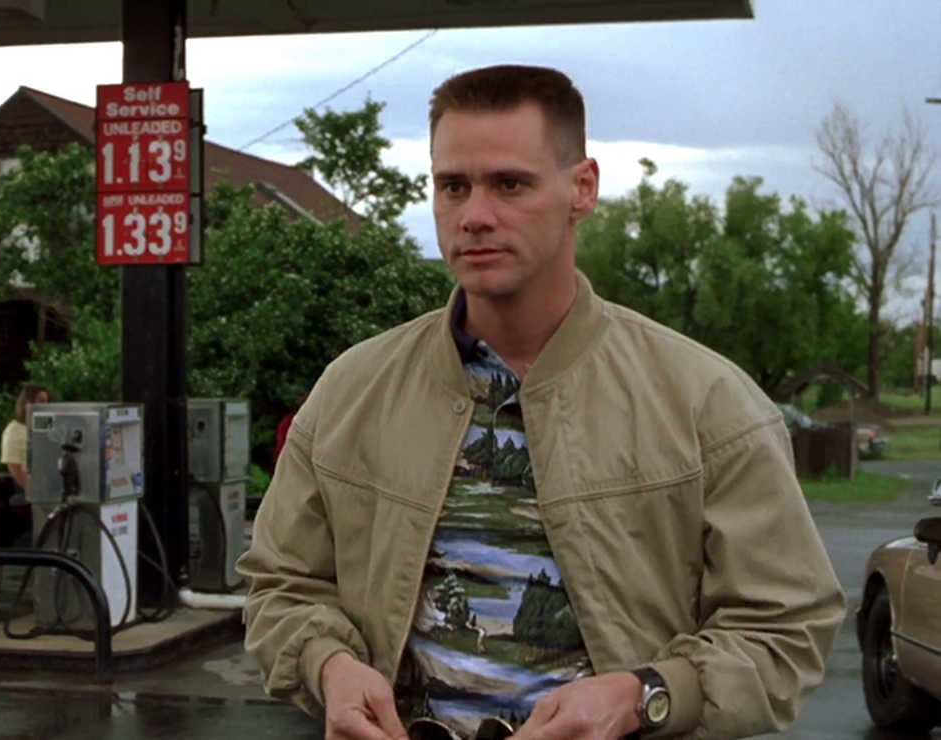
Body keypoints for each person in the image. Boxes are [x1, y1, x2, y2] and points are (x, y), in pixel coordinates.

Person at [237, 65, 845, 740]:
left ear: (582, 188)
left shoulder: (708, 405)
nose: (475, 215)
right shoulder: (352, 391)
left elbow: (786, 627)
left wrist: (644, 696)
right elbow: (280, 586)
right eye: (453, 186)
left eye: (510, 184)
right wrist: (329, 666)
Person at [1, 383, 49, 493]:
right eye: (41, 401)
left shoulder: (45, 427)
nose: (45, 405)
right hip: (27, 486)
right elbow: (14, 466)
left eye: (47, 401)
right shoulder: (14, 429)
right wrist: (31, 489)